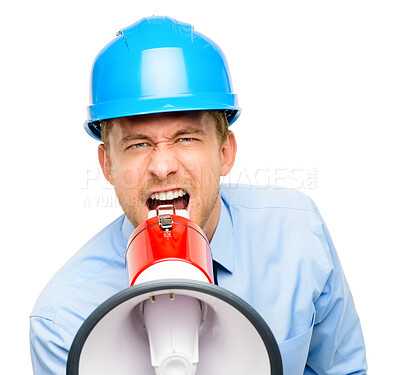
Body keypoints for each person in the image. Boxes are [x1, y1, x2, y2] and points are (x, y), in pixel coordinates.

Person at [30, 16, 367, 374]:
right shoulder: (63, 323)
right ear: (107, 164)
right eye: (138, 144)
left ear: (225, 151)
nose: (162, 167)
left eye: (186, 138)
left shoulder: (299, 238)